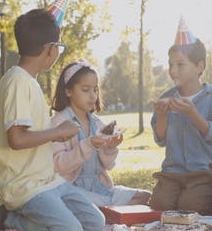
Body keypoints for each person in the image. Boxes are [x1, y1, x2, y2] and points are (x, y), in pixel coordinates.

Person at [0, 9, 105, 231]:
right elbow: (17, 139)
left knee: (95, 222)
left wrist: (56, 135)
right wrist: (58, 132)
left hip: (48, 180)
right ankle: (7, 218)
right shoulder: (17, 82)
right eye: (59, 48)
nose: (58, 53)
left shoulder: (29, 81)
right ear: (50, 49)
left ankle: (36, 213)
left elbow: (32, 134)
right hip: (24, 185)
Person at [149, 17, 212, 215]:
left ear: (199, 66)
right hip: (172, 173)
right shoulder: (166, 98)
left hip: (202, 172)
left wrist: (193, 114)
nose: (173, 70)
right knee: (159, 204)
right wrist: (161, 116)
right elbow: (160, 139)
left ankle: (196, 197)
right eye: (170, 64)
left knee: (190, 206)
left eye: (180, 64)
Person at [50, 59, 151, 206]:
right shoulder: (58, 123)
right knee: (106, 205)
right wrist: (88, 144)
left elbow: (108, 166)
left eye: (95, 90)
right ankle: (106, 209)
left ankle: (108, 208)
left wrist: (110, 148)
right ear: (68, 91)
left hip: (99, 187)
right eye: (85, 90)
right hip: (71, 189)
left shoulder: (97, 123)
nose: (93, 96)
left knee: (145, 197)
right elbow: (59, 166)